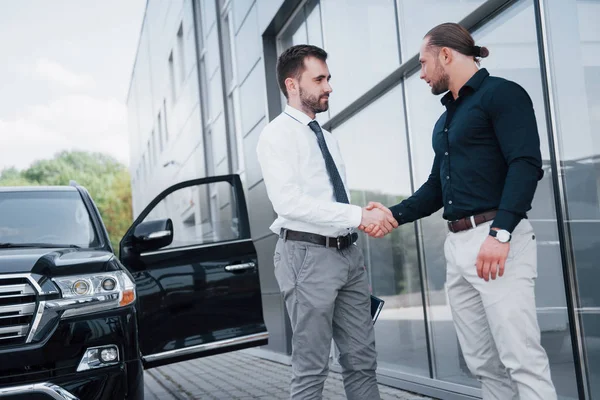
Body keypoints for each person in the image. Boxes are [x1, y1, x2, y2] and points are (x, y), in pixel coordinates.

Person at [365, 23, 557, 399]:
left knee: (522, 358)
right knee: (483, 364)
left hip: (498, 242)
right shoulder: (446, 120)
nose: (421, 73)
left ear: (446, 55)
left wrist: (500, 233)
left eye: (423, 63)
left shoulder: (502, 94)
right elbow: (436, 188)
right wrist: (392, 214)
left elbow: (525, 164)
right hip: (458, 248)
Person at [256, 44, 397, 400]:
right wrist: (359, 216)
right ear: (292, 85)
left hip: (347, 256)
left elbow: (333, 200)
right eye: (319, 79)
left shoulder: (328, 138)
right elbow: (288, 203)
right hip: (306, 256)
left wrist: (359, 222)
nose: (329, 86)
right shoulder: (276, 136)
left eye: (328, 78)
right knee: (312, 368)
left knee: (363, 361)